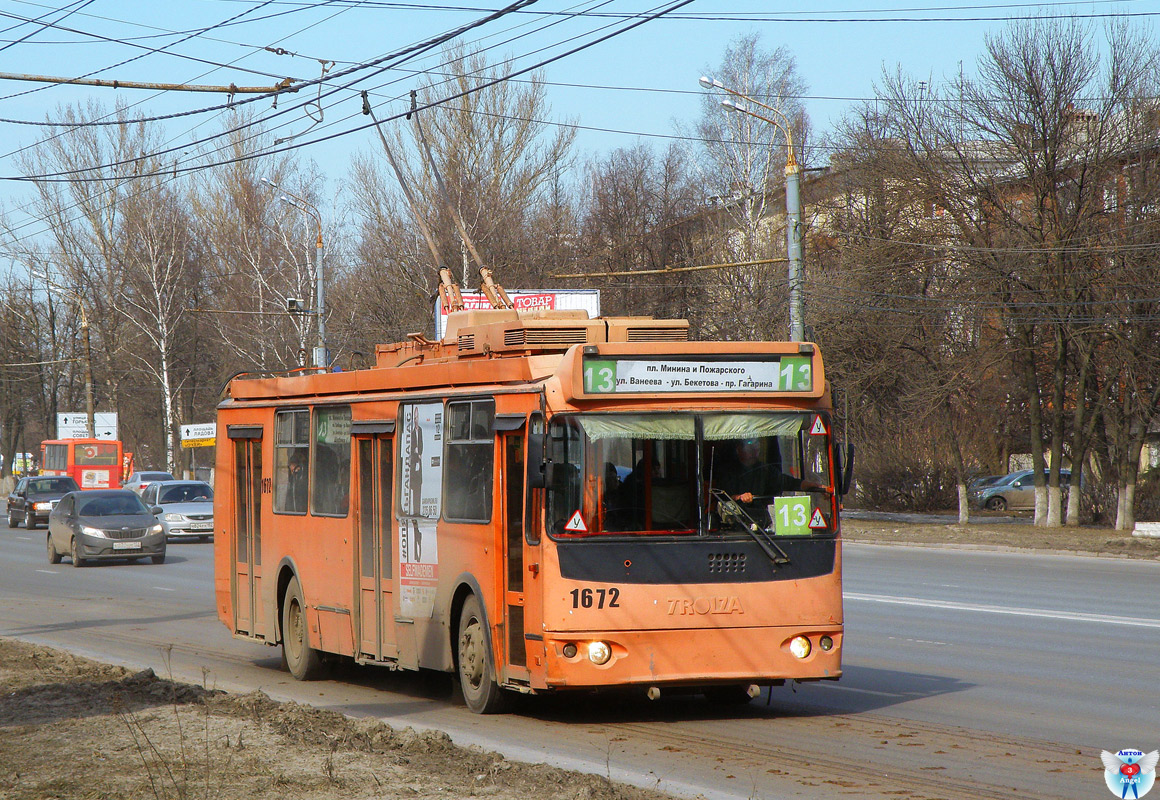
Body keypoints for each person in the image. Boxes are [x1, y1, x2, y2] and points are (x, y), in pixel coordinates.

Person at [716, 438, 821, 508]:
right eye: (750, 446)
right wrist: (740, 497)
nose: (754, 451)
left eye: (757, 446)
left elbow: (788, 482)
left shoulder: (765, 470)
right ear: (739, 449)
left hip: (762, 522)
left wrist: (813, 485)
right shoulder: (727, 471)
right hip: (736, 522)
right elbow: (723, 497)